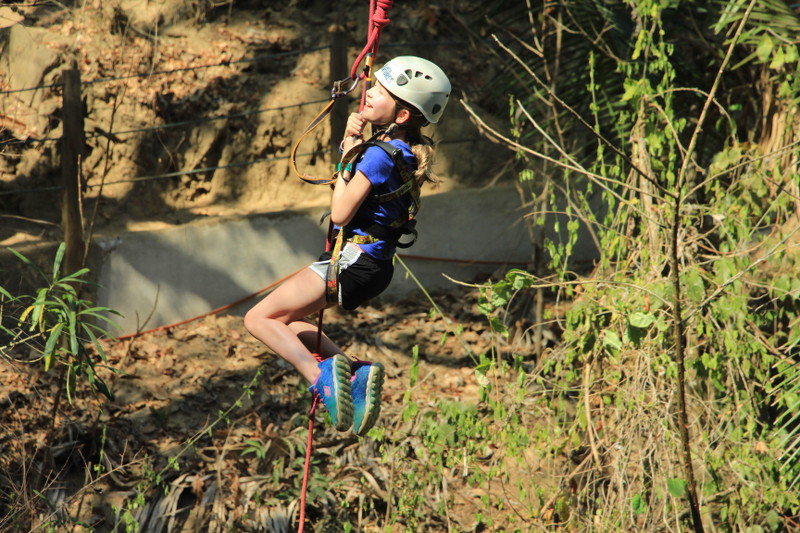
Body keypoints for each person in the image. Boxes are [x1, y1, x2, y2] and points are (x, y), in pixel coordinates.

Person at [244, 56, 451, 436]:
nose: (368, 94)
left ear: (401, 115)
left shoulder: (377, 154)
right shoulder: (401, 153)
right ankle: (354, 371)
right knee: (289, 322)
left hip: (351, 262)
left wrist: (348, 155)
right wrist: (354, 144)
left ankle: (318, 378)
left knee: (258, 319)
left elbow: (340, 213)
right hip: (373, 267)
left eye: (379, 92)